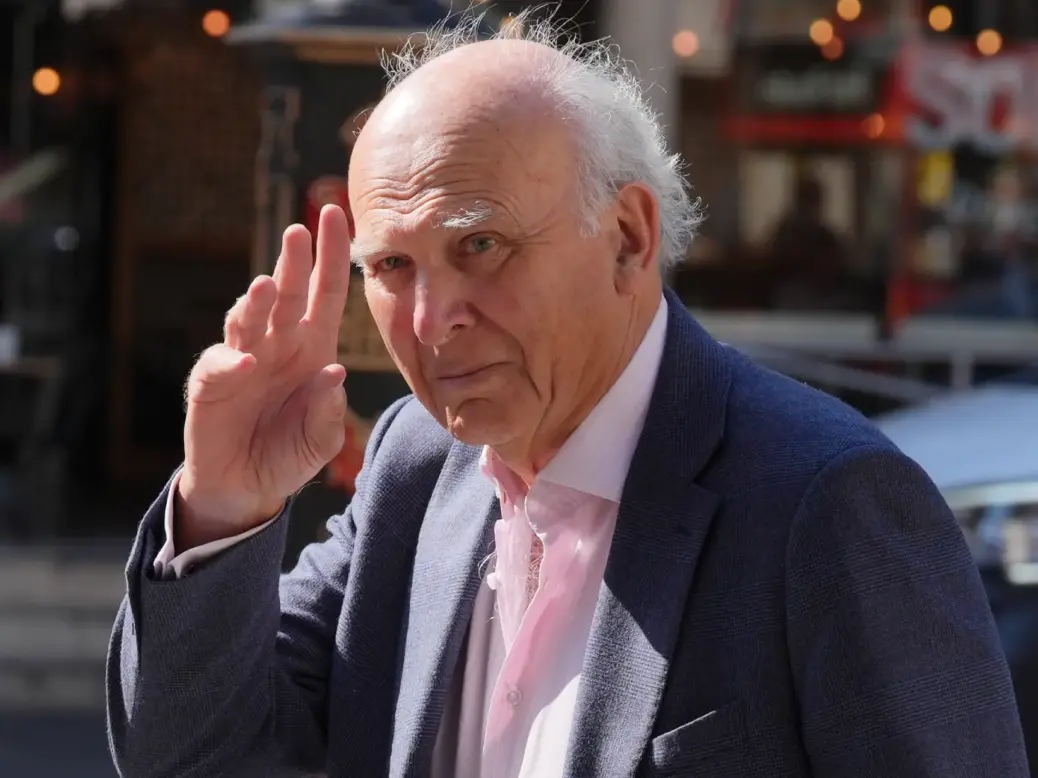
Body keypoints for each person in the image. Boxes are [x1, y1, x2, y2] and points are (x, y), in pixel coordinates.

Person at [106, 12, 1029, 778]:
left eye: (480, 246)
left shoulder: (829, 504)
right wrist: (221, 507)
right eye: (392, 266)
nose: (431, 321)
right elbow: (190, 760)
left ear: (627, 237)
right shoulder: (415, 470)